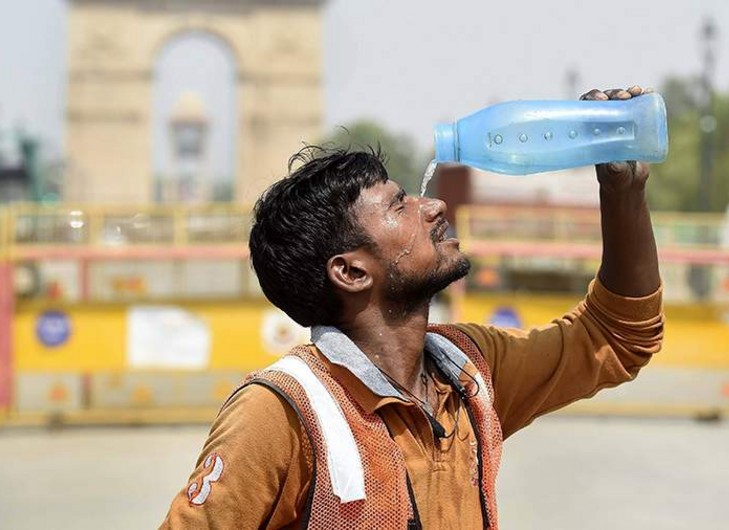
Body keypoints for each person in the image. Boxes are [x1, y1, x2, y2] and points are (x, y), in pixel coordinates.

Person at [161, 86, 664, 529]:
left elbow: (617, 337)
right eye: (400, 205)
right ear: (352, 272)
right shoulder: (282, 413)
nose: (434, 206)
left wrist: (623, 194)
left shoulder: (469, 374)